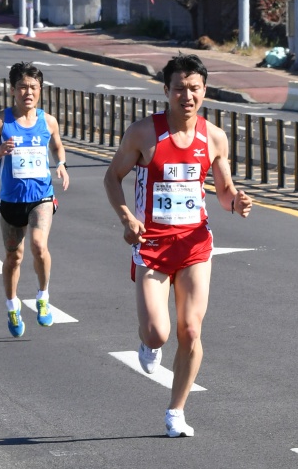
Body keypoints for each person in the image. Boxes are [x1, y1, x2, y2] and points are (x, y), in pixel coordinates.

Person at [103, 53, 253, 438]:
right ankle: (148, 343)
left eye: (194, 89)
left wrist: (235, 202)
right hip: (152, 244)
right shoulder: (143, 133)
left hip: (194, 244)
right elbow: (112, 177)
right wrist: (127, 217)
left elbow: (224, 190)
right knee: (158, 332)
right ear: (166, 91)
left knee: (190, 329)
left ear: (205, 91)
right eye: (179, 89)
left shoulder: (214, 137)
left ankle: (176, 411)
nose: (187, 96)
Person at [0, 62, 69, 337]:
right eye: (22, 87)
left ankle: (43, 297)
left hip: (41, 196)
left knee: (38, 245)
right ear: (12, 90)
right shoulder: (0, 122)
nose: (28, 92)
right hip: (11, 200)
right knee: (13, 256)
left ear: (40, 89)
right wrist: (0, 152)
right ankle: (12, 306)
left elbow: (57, 146)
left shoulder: (48, 121)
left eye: (33, 87)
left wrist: (61, 164)